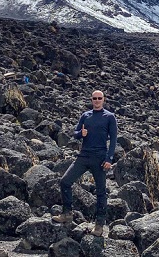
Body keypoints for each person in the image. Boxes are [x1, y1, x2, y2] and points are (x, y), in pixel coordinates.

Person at [52, 90, 118, 237]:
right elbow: (74, 133)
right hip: (84, 156)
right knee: (65, 181)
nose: (97, 100)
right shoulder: (85, 115)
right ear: (91, 99)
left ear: (103, 99)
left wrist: (109, 159)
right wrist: (80, 134)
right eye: (94, 98)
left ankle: (100, 225)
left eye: (99, 98)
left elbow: (114, 139)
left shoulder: (109, 117)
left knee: (101, 192)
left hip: (100, 158)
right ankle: (67, 213)